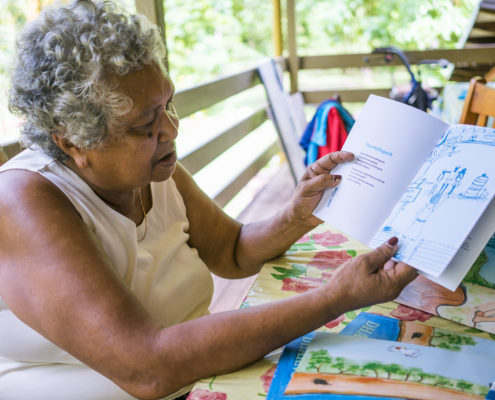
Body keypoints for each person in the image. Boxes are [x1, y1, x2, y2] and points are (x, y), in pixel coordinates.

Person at [0, 1, 417, 399]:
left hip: (193, 377)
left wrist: (296, 215)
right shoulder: (25, 200)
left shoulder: (150, 170)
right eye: (146, 124)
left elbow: (232, 251)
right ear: (73, 140)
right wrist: (333, 298)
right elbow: (147, 367)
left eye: (168, 105)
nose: (171, 129)